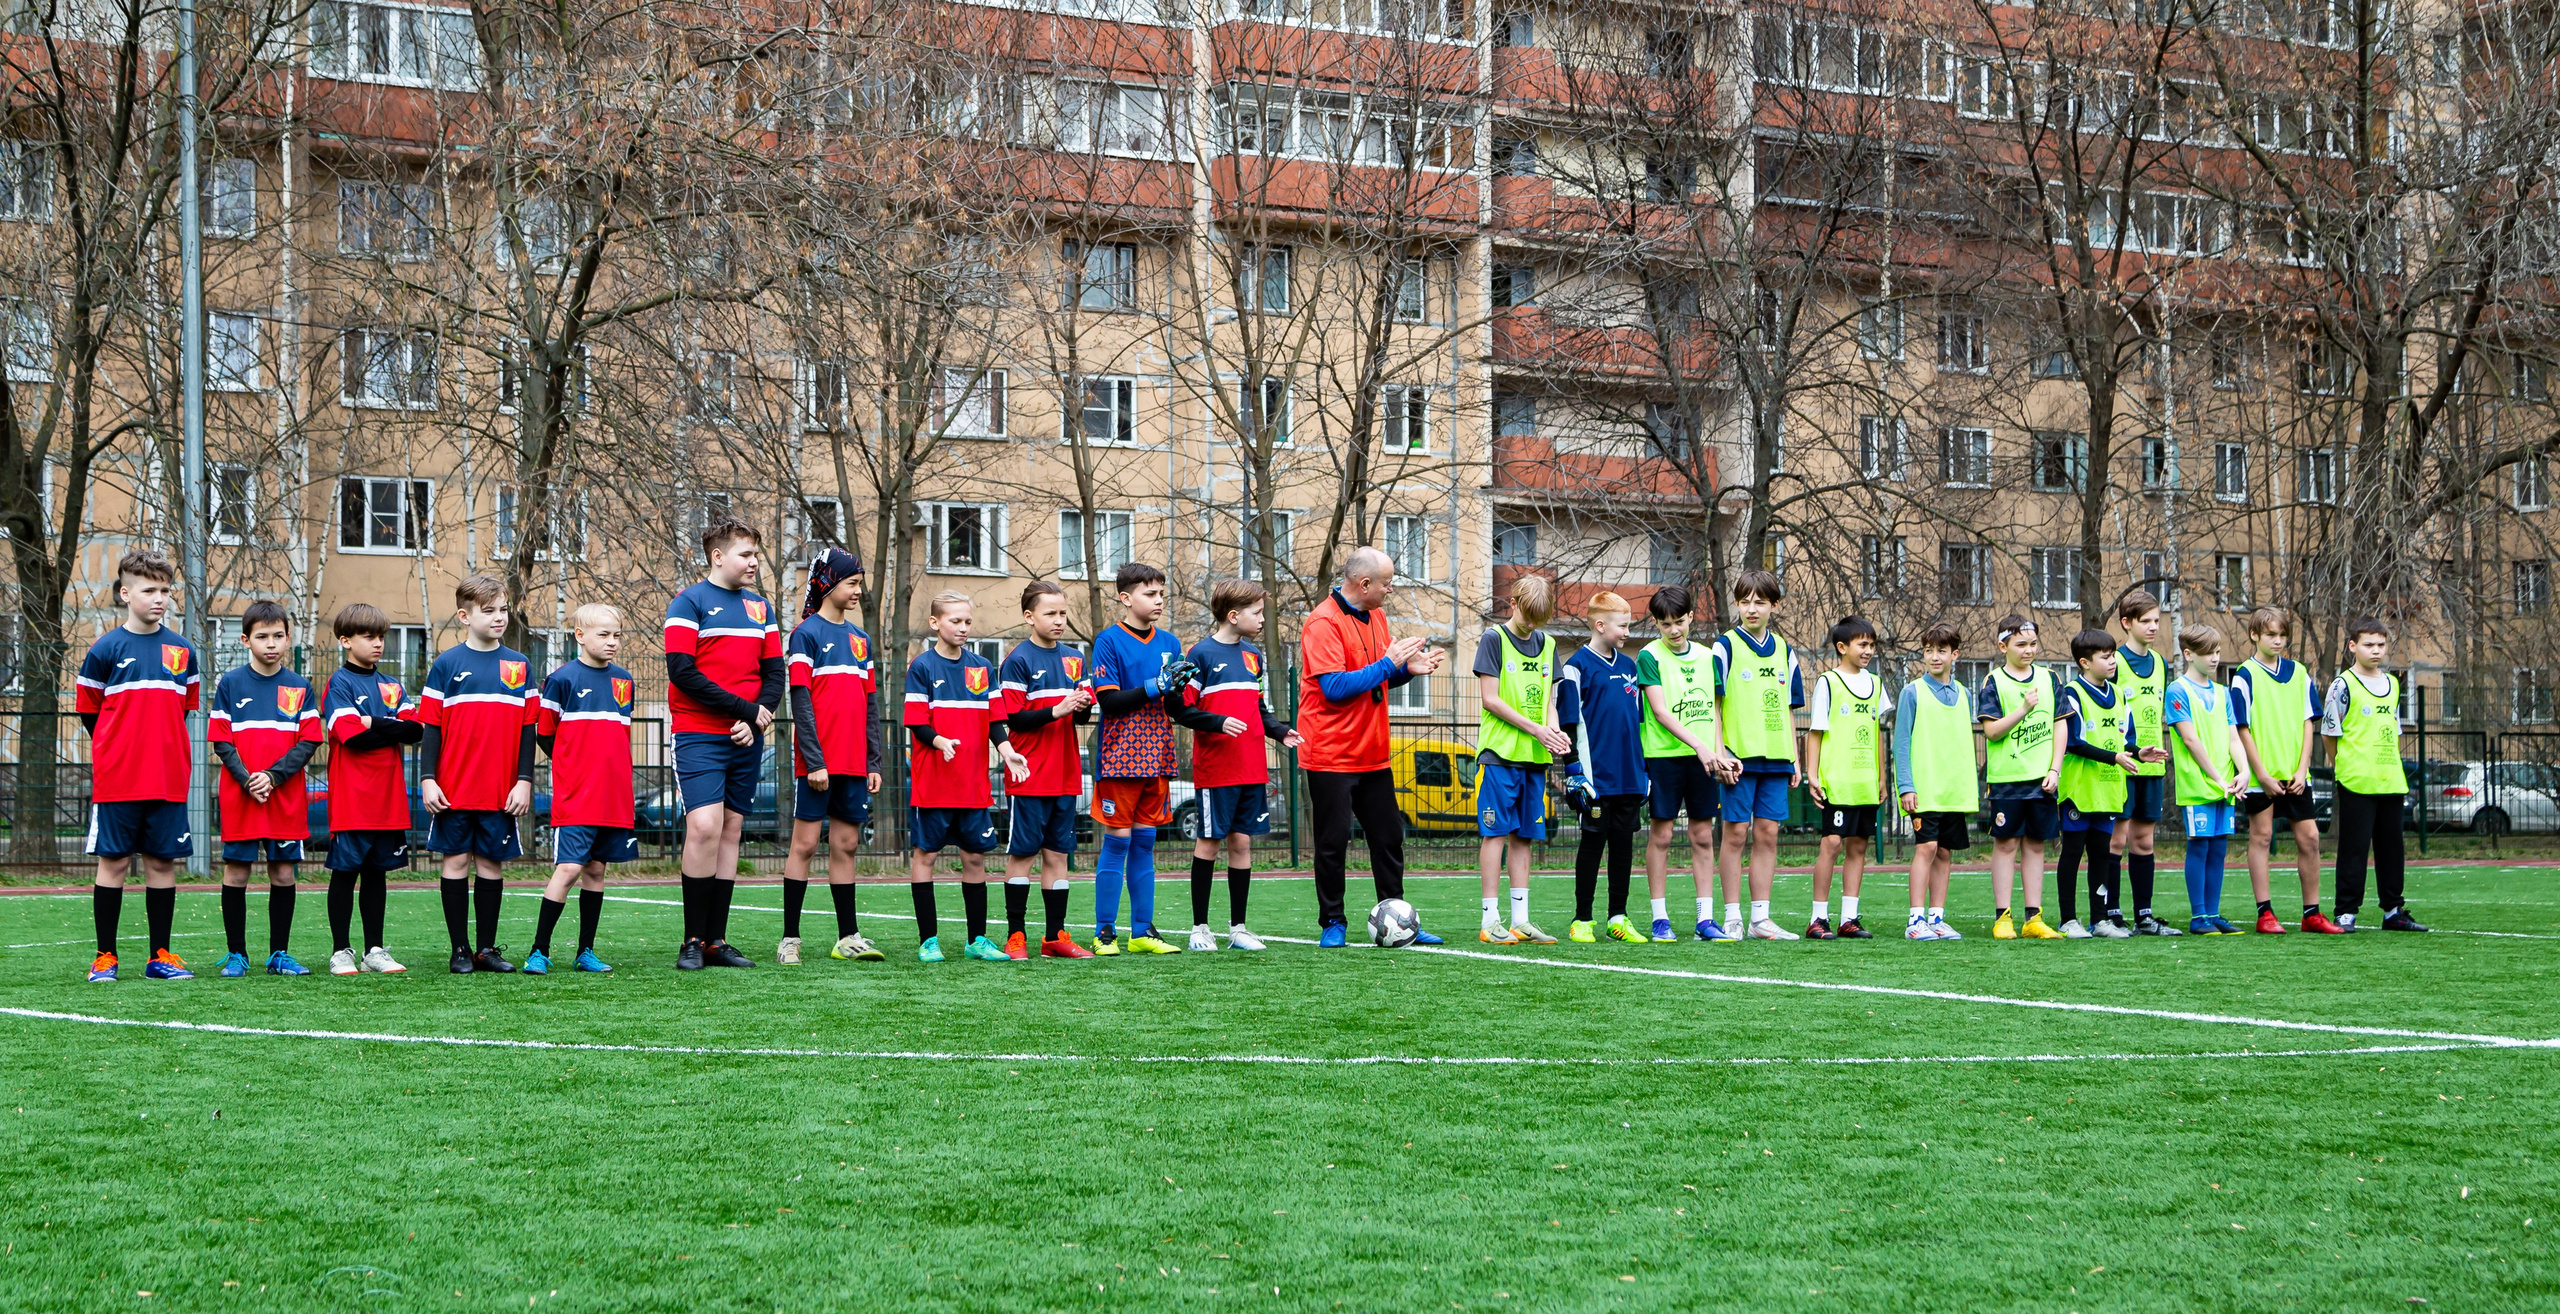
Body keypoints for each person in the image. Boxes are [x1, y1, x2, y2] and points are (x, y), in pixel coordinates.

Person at [1297, 547, 1447, 947]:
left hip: (1373, 754)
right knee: (1332, 842)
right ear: (1364, 584)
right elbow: (1334, 687)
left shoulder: (1377, 616)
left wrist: (1406, 670)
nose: (1391, 589)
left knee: (1388, 837)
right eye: (1387, 583)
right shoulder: (1322, 622)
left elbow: (1376, 678)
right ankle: (1333, 921)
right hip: (1330, 754)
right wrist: (1388, 665)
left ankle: (1398, 918)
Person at [664, 518, 786, 971]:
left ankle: (715, 941)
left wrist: (756, 719)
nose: (754, 562)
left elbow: (774, 673)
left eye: (756, 554)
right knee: (704, 827)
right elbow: (682, 672)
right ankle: (692, 941)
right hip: (697, 732)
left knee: (731, 829)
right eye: (745, 554)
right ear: (717, 557)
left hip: (746, 734)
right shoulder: (688, 602)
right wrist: (744, 709)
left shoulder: (761, 608)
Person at [1089, 562, 1226, 955]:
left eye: (1162, 593)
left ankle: (1142, 932)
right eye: (1150, 594)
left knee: (1145, 843)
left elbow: (1174, 705)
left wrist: (1210, 716)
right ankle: (1104, 932)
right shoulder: (1108, 641)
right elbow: (1109, 701)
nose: (1159, 600)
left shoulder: (1169, 642)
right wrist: (1156, 685)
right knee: (1118, 841)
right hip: (1119, 758)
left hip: (1158, 758)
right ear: (1125, 598)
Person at [79, 549, 203, 983]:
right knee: (113, 862)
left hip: (168, 776)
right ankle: (105, 957)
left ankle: (160, 956)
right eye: (149, 590)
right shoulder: (104, 649)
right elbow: (90, 712)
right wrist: (119, 748)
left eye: (165, 590)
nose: (159, 598)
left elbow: (182, 710)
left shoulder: (183, 650)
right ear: (125, 593)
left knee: (162, 864)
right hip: (119, 778)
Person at [418, 575, 539, 974]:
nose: (499, 617)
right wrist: (428, 778)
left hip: (500, 791)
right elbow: (431, 728)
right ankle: (460, 950)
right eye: (489, 611)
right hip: (452, 790)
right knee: (455, 863)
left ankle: (486, 950)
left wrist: (524, 781)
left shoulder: (520, 665)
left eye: (503, 609)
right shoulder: (446, 664)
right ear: (465, 616)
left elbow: (528, 729)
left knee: (490, 865)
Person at [904, 591, 1031, 962]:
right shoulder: (922, 667)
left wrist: (1007, 752)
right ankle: (928, 941)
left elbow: (995, 720)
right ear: (935, 623)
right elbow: (916, 722)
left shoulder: (982, 667)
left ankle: (977, 940)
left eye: (967, 621)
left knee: (975, 859)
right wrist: (940, 740)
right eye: (955, 620)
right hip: (934, 785)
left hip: (973, 785)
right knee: (925, 856)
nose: (963, 627)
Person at [1182, 578, 1301, 951]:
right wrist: (1218, 722)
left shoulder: (1254, 656)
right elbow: (1182, 709)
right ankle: (1200, 928)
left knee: (1242, 842)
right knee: (1208, 843)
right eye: (1256, 613)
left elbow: (1258, 709)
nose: (1262, 619)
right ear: (1233, 616)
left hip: (1251, 767)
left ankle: (1238, 929)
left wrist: (1280, 731)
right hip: (1216, 770)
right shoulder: (1200, 654)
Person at [780, 548, 887, 965]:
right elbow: (800, 701)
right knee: (805, 845)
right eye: (852, 583)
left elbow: (870, 705)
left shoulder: (861, 640)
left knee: (847, 844)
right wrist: (814, 761)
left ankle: (847, 937)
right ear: (828, 584)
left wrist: (873, 762)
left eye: (859, 583)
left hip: (854, 764)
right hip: (818, 764)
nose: (858, 590)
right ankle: (790, 939)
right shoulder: (805, 634)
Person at [208, 600, 321, 977]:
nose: (270, 643)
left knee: (283, 873)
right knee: (237, 873)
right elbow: (221, 740)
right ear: (245, 640)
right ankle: (236, 954)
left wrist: (272, 777)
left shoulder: (300, 687)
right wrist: (247, 779)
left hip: (283, 796)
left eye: (277, 636)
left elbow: (309, 741)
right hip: (241, 796)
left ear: (288, 639)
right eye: (262, 637)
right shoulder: (230, 684)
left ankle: (279, 954)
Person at [527, 604, 638, 974]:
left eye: (617, 635)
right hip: (577, 795)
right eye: (603, 634)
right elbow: (546, 734)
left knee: (596, 871)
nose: (612, 642)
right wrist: (573, 767)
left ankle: (585, 952)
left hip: (613, 795)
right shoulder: (561, 679)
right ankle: (538, 951)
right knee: (570, 868)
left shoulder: (624, 681)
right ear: (579, 635)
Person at [320, 603, 421, 975]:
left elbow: (416, 730)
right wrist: (389, 725)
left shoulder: (392, 685)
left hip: (388, 798)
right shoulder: (339, 683)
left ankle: (374, 950)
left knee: (377, 874)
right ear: (345, 641)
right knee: (345, 873)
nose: (378, 643)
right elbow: (352, 737)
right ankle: (340, 951)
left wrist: (372, 721)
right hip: (352, 798)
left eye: (381, 636)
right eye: (368, 636)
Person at [1000, 581, 1096, 959]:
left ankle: (1055, 937)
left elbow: (1080, 718)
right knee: (1023, 855)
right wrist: (1057, 709)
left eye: (1063, 613)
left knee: (1057, 856)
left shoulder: (1075, 658)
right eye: (1050, 613)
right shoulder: (1017, 660)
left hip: (1065, 773)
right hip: (1029, 774)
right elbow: (1013, 718)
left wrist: (1084, 706)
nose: (1059, 620)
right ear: (1029, 617)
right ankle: (1016, 936)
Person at [2232, 607, 2341, 934]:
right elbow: (2241, 728)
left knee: (2310, 838)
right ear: (2255, 635)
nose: (2277, 641)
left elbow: (2309, 723)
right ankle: (2265, 913)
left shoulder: (2299, 673)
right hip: (2262, 776)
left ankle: (2312, 914)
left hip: (2296, 775)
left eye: (2282, 635)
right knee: (2261, 837)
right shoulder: (2244, 675)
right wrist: (2261, 774)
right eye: (2270, 635)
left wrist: (2303, 767)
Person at [1474, 574, 1569, 946]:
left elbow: (1550, 702)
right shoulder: (1493, 639)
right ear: (1512, 604)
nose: (1532, 625)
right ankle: (1490, 920)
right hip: (1500, 755)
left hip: (1534, 757)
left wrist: (1554, 730)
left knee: (1524, 836)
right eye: (1528, 616)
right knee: (1495, 833)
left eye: (1539, 620)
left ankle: (1521, 921)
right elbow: (1490, 699)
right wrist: (1536, 729)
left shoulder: (1548, 644)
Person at [1638, 584, 1734, 941]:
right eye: (1665, 624)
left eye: (1679, 621)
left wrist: (1719, 754)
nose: (1674, 630)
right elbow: (1661, 712)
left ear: (1691, 617)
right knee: (1661, 835)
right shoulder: (1648, 656)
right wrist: (1700, 747)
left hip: (1704, 759)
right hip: (1664, 757)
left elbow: (1715, 711)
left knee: (1703, 836)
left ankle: (1705, 920)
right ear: (1656, 623)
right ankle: (1659, 919)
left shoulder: (1710, 658)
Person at [1714, 570, 1804, 941]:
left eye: (1760, 602)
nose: (1752, 609)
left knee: (1768, 834)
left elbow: (1790, 709)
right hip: (1739, 757)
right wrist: (1720, 752)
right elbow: (1714, 704)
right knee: (1736, 833)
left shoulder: (1785, 650)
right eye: (1745, 601)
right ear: (1737, 604)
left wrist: (1795, 758)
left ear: (1774, 606)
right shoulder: (1725, 646)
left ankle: (1760, 919)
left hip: (1777, 759)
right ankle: (1732, 917)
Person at [2323, 618, 2425, 932]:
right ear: (2353, 646)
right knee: (2354, 849)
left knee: (2392, 849)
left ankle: (2393, 911)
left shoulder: (2393, 684)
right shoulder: (2342, 685)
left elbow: (2394, 729)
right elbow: (2329, 732)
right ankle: (2345, 913)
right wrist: (2341, 765)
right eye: (2369, 644)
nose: (2376, 650)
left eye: (2381, 644)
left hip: (2390, 779)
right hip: (2357, 779)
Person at [1558, 591, 1648, 944]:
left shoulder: (1629, 667)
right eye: (1622, 626)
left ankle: (1618, 918)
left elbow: (1638, 724)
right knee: (1592, 845)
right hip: (1595, 779)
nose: (1627, 632)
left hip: (1629, 777)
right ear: (1600, 625)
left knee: (1623, 847)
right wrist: (1573, 770)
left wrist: (1644, 771)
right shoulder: (1575, 667)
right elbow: (1568, 725)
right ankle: (1582, 919)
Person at [2054, 630, 2148, 939]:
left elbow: (2125, 741)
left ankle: (2100, 919)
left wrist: (2139, 753)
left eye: (2113, 655)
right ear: (2085, 662)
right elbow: (2074, 742)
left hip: (2108, 790)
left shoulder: (2119, 694)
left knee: (2101, 856)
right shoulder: (2071, 693)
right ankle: (2068, 919)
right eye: (2105, 657)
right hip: (2080, 791)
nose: (2112, 661)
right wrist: (2115, 758)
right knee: (2072, 853)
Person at [1980, 615, 2067, 940]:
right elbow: (1992, 731)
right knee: (2006, 846)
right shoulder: (1993, 681)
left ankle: (2034, 918)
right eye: (2021, 644)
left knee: (2036, 846)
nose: (2029, 650)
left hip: (2042, 781)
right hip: (2007, 780)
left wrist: (2055, 768)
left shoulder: (2050, 678)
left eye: (2032, 644)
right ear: (2003, 646)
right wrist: (2022, 710)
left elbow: (2060, 724)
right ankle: (2003, 917)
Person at [1802, 615, 1885, 940]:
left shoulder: (1876, 683)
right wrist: (1812, 775)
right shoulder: (1829, 682)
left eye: (1871, 645)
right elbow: (1816, 731)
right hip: (1837, 781)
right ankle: (1818, 918)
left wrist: (1881, 777)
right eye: (1862, 644)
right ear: (1842, 647)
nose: (1868, 651)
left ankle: (1849, 918)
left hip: (1865, 783)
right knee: (1832, 843)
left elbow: (1877, 733)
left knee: (1859, 845)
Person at [2165, 627, 2247, 935]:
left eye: (2217, 652)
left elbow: (2234, 737)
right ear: (2188, 654)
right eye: (2208, 653)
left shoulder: (2223, 692)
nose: (2215, 658)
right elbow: (2190, 740)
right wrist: (2217, 778)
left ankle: (2212, 913)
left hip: (2225, 785)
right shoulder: (2177, 690)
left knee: (2219, 848)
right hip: (2198, 784)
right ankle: (2199, 916)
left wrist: (2243, 771)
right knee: (2199, 846)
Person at [1894, 624, 1973, 941]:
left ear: (1955, 655)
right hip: (1924, 789)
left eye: (1941, 650)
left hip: (1952, 790)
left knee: (1944, 852)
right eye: (1928, 650)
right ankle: (1915, 920)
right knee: (1926, 848)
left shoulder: (1964, 694)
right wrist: (1906, 785)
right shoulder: (1912, 692)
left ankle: (1937, 918)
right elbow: (1901, 743)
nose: (1934, 656)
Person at [2112, 591, 2177, 935]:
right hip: (2122, 764)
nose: (2153, 627)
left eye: (2157, 620)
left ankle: (2144, 916)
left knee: (2144, 841)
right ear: (2127, 623)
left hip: (2152, 766)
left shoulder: (2161, 663)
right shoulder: (2114, 662)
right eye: (2146, 621)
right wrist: (2129, 749)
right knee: (2115, 840)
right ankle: (2110, 914)